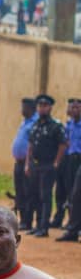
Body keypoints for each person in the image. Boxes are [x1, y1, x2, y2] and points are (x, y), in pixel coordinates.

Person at [26, 94, 66, 237]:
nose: (42, 108)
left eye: (45, 106)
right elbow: (30, 145)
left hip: (48, 165)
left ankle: (44, 227)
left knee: (45, 196)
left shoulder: (56, 125)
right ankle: (37, 226)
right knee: (35, 195)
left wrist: (56, 162)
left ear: (50, 107)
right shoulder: (36, 125)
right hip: (35, 165)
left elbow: (63, 144)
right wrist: (27, 163)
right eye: (40, 106)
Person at [52, 97, 81, 229]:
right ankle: (64, 219)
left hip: (77, 159)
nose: (72, 110)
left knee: (74, 192)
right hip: (67, 159)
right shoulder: (68, 124)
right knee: (64, 190)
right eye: (70, 107)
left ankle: (74, 222)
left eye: (76, 107)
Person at [13, 98, 38, 231]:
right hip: (19, 162)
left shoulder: (35, 122)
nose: (22, 110)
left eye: (24, 107)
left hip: (28, 163)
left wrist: (28, 163)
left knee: (28, 191)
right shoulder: (25, 122)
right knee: (19, 191)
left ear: (31, 108)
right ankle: (22, 220)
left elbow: (33, 145)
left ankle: (27, 221)